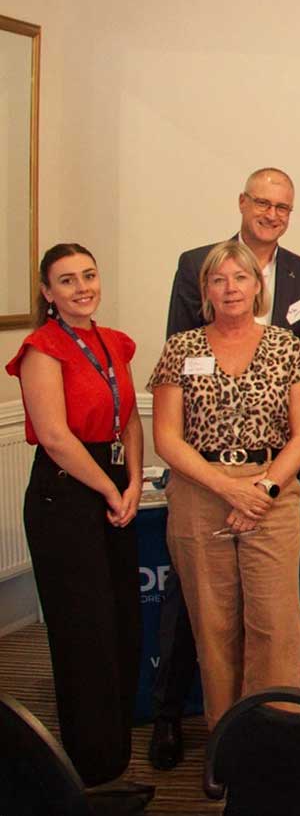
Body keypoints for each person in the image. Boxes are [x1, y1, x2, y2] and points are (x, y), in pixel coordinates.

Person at [152, 165, 300, 769]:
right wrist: (227, 486)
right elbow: (166, 439)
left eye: (241, 278)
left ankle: (274, 752)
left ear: (260, 286)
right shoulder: (181, 348)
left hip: (271, 497)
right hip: (202, 497)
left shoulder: (287, 345)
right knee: (215, 632)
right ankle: (226, 754)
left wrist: (267, 486)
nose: (230, 287)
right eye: (219, 279)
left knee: (277, 631)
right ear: (206, 288)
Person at [6, 245, 146, 795]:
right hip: (65, 495)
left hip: (115, 485)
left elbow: (129, 415)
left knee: (121, 625)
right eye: (67, 280)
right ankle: (93, 770)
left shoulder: (114, 342)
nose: (82, 287)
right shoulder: (42, 348)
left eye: (89, 275)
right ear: (47, 293)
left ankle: (117, 752)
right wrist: (111, 488)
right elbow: (58, 438)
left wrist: (133, 482)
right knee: (83, 632)